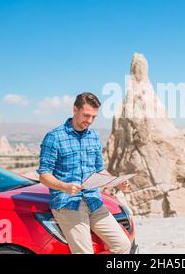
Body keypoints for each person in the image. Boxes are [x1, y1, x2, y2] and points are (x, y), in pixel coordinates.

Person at [37, 92, 131, 254]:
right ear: (75, 109)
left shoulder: (94, 136)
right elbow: (44, 175)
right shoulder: (54, 137)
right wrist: (64, 186)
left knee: (123, 245)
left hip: (94, 200)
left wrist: (116, 182)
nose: (89, 121)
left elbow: (99, 169)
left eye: (93, 117)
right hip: (68, 203)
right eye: (86, 115)